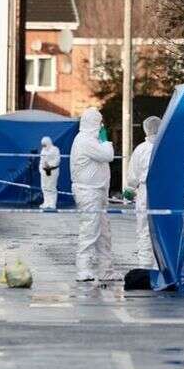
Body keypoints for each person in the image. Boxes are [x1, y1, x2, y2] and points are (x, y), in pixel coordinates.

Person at [71, 107, 115, 282]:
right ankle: (84, 270)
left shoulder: (90, 140)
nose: (102, 126)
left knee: (103, 233)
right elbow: (108, 155)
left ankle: (106, 270)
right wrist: (106, 140)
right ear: (93, 123)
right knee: (89, 231)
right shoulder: (85, 141)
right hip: (89, 193)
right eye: (100, 123)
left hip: (97, 191)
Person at [125, 116, 161, 269]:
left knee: (145, 230)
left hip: (145, 192)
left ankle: (145, 267)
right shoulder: (167, 147)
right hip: (164, 192)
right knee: (162, 230)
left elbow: (133, 177)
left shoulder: (141, 149)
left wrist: (130, 189)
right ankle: (161, 266)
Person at [39, 136, 60, 210]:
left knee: (51, 187)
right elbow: (41, 161)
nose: (44, 146)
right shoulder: (43, 150)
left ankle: (52, 204)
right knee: (44, 187)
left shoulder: (55, 149)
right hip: (44, 172)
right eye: (43, 145)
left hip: (53, 171)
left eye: (45, 144)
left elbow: (57, 160)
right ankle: (46, 202)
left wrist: (50, 166)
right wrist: (41, 170)